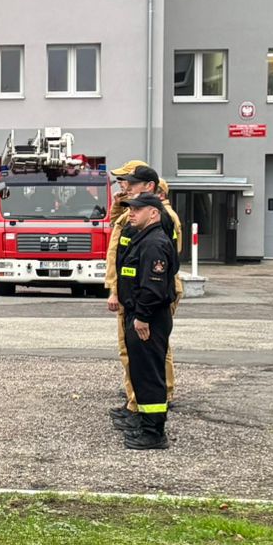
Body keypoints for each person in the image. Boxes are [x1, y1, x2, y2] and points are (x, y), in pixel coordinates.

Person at [105, 162, 184, 430]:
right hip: (135, 292)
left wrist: (139, 304)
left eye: (131, 183)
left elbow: (161, 262)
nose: (125, 187)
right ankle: (136, 402)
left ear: (149, 187)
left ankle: (150, 407)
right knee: (133, 351)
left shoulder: (161, 217)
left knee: (150, 351)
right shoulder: (137, 213)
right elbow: (120, 243)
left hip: (149, 293)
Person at [116, 193, 178, 450]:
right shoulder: (143, 239)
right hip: (139, 314)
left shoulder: (154, 243)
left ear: (153, 213)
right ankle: (145, 423)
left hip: (148, 318)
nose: (131, 213)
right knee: (141, 373)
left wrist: (142, 317)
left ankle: (154, 433)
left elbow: (153, 287)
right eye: (130, 209)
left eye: (137, 210)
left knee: (149, 375)